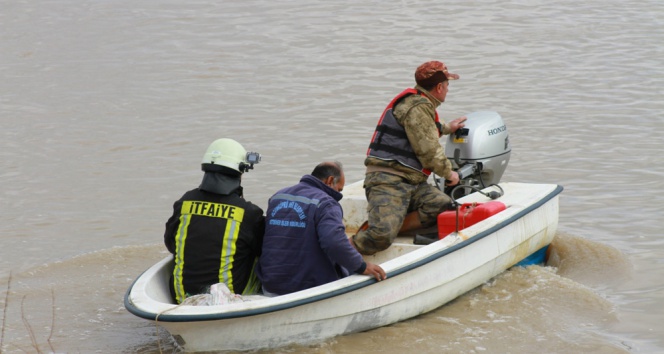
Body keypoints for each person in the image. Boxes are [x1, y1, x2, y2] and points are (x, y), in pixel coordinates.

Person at [351, 60, 467, 255]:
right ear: (439, 87)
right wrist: (450, 174)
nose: (447, 89)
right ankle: (340, 252)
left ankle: (392, 223)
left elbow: (425, 130)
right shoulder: (417, 108)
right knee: (381, 236)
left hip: (412, 182)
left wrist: (448, 127)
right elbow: (429, 152)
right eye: (447, 85)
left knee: (442, 204)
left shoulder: (421, 105)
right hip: (388, 180)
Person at [256, 161, 386, 296]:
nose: (338, 195)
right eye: (339, 190)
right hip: (307, 288)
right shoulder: (326, 203)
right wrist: (362, 266)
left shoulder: (278, 197)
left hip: (271, 285)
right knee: (350, 268)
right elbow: (334, 243)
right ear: (330, 181)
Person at [164, 138, 265, 304]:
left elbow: (170, 244)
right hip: (227, 301)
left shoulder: (185, 202)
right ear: (240, 171)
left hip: (181, 297)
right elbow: (265, 252)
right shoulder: (249, 213)